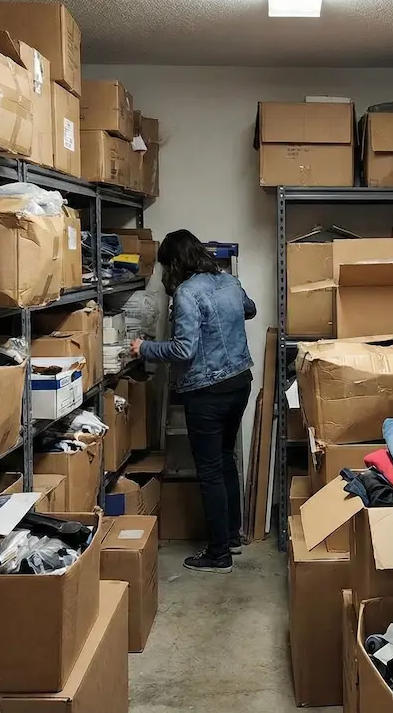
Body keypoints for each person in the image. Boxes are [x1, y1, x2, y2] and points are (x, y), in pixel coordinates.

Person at [131, 229, 256, 573]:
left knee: (211, 470)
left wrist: (145, 348)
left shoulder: (187, 293)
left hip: (207, 391)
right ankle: (231, 535)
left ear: (174, 263)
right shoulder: (228, 281)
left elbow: (183, 350)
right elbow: (250, 309)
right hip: (239, 382)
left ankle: (219, 555)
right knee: (226, 460)